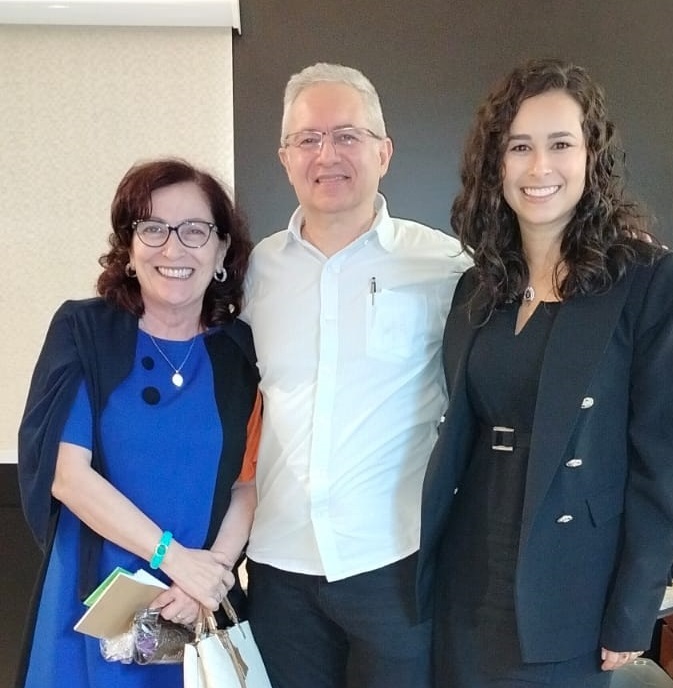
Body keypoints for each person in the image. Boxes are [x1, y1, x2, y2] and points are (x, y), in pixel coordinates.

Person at [417, 57, 673, 688]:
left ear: (591, 157)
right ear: (496, 163)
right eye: (520, 146)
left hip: (573, 581)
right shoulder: (478, 287)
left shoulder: (649, 281)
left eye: (560, 144)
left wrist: (633, 610)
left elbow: (664, 463)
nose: (539, 167)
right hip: (467, 569)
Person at [240, 62, 471, 688]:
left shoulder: (446, 266)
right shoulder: (254, 273)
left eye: (347, 135)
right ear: (285, 158)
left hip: (396, 563)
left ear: (383, 152)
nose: (327, 155)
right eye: (308, 139)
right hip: (279, 567)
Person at [17, 158, 260, 688]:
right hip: (95, 599)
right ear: (129, 248)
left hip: (193, 605)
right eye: (153, 228)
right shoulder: (85, 330)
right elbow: (67, 476)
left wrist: (210, 575)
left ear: (221, 250)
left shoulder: (239, 351)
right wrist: (175, 560)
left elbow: (248, 484)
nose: (173, 248)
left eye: (194, 230)